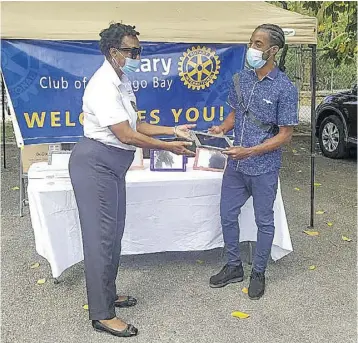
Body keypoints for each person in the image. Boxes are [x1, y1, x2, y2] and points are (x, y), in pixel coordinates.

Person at [69, 23, 195, 338]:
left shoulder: (121, 81)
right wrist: (170, 148)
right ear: (114, 52)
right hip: (96, 164)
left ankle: (108, 295)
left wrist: (172, 130)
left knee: (113, 236)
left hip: (112, 166)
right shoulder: (102, 86)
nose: (138, 55)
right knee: (101, 240)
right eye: (132, 51)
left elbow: (137, 123)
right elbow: (125, 135)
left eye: (139, 50)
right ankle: (101, 314)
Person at [208, 24, 298, 300]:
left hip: (263, 168)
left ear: (273, 50)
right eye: (251, 42)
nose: (252, 49)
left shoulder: (286, 88)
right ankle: (234, 266)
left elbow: (285, 136)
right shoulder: (241, 79)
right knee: (226, 215)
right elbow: (234, 115)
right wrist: (222, 129)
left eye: (258, 44)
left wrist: (252, 151)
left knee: (264, 221)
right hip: (236, 165)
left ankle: (258, 272)